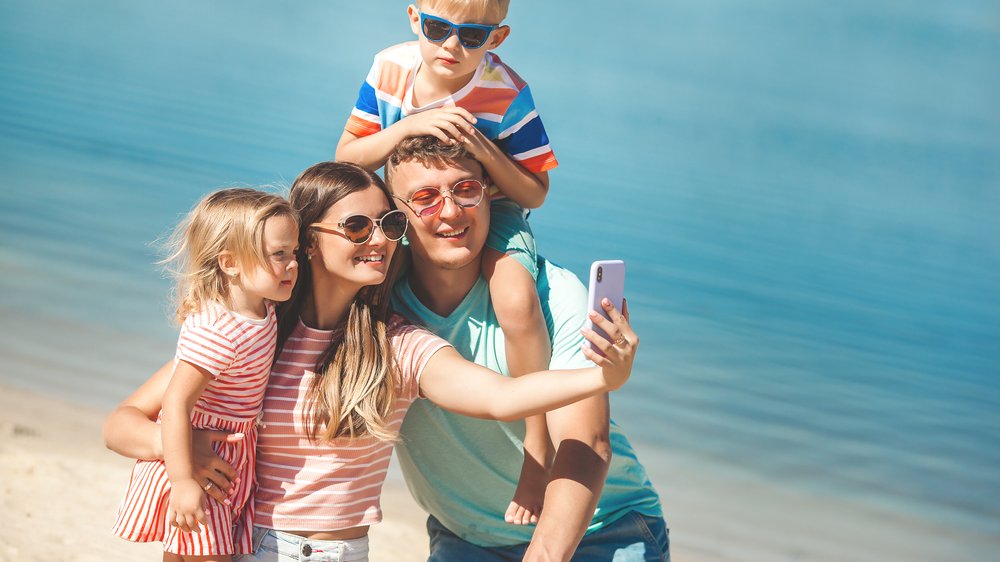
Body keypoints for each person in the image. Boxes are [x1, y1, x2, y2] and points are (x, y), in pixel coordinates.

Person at [104, 161, 641, 561]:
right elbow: (122, 423)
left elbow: (498, 397)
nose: (380, 241)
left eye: (388, 225)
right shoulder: (256, 333)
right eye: (357, 228)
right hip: (240, 544)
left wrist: (601, 375)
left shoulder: (396, 345)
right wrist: (184, 453)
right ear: (307, 243)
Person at [384, 136, 669, 560]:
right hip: (463, 535)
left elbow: (586, 442)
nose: (450, 211)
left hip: (601, 533)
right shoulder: (380, 306)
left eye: (465, 190)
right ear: (397, 217)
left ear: (489, 195)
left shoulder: (556, 296)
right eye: (425, 198)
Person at [335, 0, 556, 524]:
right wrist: (415, 125)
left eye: (473, 36)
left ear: (496, 39)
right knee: (356, 282)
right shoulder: (390, 67)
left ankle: (538, 442)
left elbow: (536, 190)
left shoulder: (505, 92)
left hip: (486, 208)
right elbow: (346, 155)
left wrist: (484, 147)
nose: (452, 46)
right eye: (438, 28)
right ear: (415, 19)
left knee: (516, 299)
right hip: (406, 205)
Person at [112, 188, 300, 560]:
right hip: (199, 459)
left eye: (293, 253)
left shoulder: (263, 309)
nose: (293, 264)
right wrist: (182, 480)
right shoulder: (217, 331)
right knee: (204, 550)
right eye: (279, 254)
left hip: (228, 453)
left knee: (189, 551)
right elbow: (177, 401)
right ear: (230, 263)